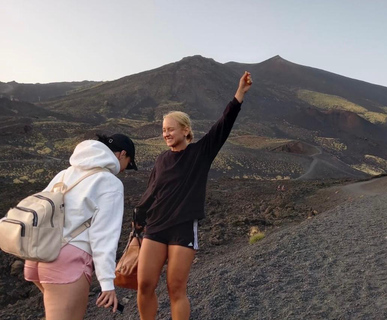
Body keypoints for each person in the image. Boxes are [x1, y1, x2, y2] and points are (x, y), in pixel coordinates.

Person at [134, 71, 253, 320]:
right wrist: (138, 219)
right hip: (155, 228)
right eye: (163, 130)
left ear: (185, 130)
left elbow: (223, 125)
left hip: (183, 228)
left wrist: (239, 94)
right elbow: (151, 191)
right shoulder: (161, 160)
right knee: (144, 285)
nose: (166, 134)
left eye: (170, 129)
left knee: (175, 288)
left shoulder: (201, 153)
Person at [24, 133, 138, 319]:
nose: (124, 170)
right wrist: (107, 283)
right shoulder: (109, 182)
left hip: (37, 256)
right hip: (65, 262)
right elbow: (104, 236)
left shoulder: (65, 174)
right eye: (128, 163)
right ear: (122, 154)